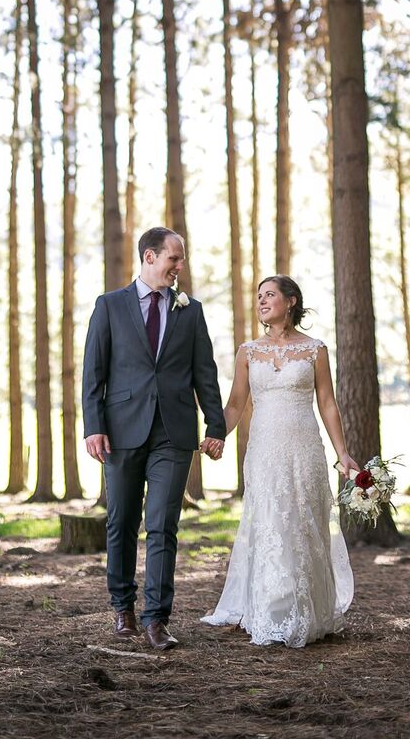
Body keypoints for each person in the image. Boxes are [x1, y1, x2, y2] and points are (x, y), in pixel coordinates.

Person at [82, 227, 226, 651]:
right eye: (173, 259)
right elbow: (94, 372)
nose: (179, 267)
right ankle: (122, 608)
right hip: (121, 430)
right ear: (150, 256)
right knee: (122, 522)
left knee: (163, 525)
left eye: (181, 260)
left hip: (173, 432)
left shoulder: (190, 311)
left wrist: (215, 426)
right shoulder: (109, 306)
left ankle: (157, 619)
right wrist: (93, 426)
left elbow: (205, 372)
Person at [201, 275, 358, 648]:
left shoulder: (315, 350)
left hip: (305, 449)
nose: (261, 301)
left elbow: (328, 403)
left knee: (304, 525)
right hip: (264, 451)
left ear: (291, 301)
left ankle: (309, 611)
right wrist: (217, 434)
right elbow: (236, 403)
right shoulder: (248, 352)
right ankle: (271, 612)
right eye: (259, 296)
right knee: (271, 523)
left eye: (269, 295)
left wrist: (343, 453)